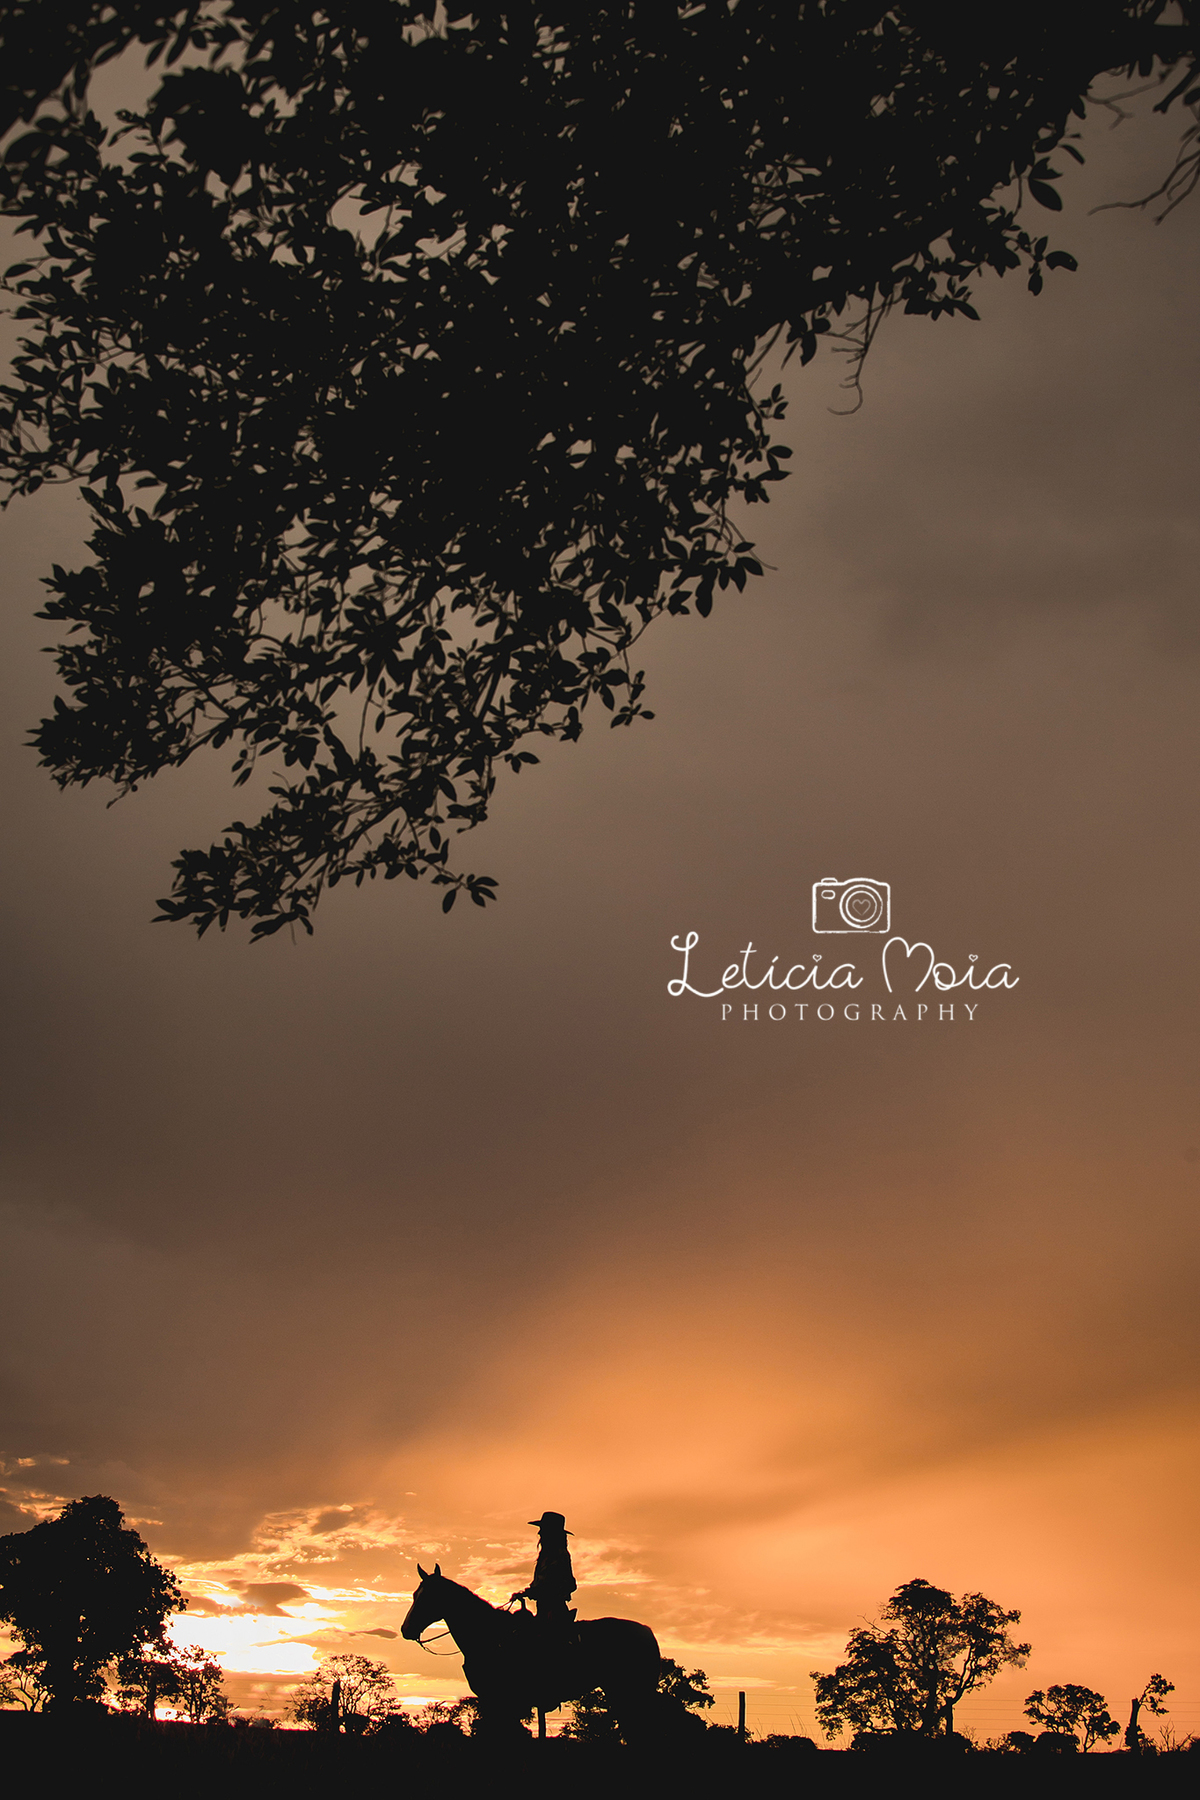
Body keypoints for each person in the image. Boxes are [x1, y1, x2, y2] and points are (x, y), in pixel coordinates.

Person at [515, 1511, 577, 1649]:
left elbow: (569, 1584)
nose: (539, 1533)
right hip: (543, 1609)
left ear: (551, 1533)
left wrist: (540, 1592)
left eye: (543, 1529)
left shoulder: (560, 1555)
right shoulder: (545, 1556)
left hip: (554, 1611)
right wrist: (528, 1592)